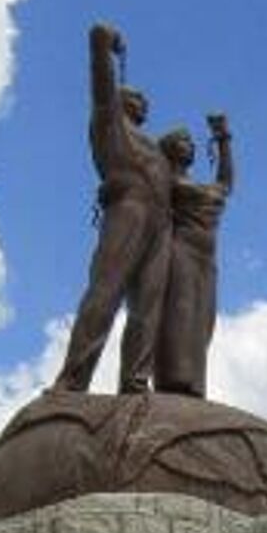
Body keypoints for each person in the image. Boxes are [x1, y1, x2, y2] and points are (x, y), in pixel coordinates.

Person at [54, 24, 174, 394]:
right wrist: (102, 42)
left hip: (161, 222)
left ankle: (136, 381)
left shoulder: (154, 147)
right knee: (106, 291)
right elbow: (101, 84)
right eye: (135, 98)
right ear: (120, 100)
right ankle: (73, 380)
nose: (144, 103)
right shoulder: (110, 123)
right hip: (129, 208)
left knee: (149, 306)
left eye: (145, 101)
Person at [154, 114, 234, 397]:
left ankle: (195, 382)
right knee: (179, 314)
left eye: (190, 141)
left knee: (203, 321)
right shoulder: (164, 181)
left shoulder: (203, 187)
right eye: (182, 141)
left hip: (206, 257)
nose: (190, 145)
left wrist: (224, 140)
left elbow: (224, 185)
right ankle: (174, 379)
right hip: (181, 250)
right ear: (168, 149)